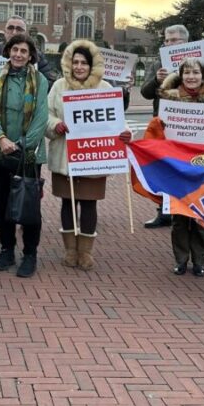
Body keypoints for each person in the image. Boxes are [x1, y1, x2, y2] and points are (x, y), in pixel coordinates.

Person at [45, 40, 132, 270]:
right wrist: (56, 125)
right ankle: (70, 250)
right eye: (75, 62)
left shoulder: (104, 88)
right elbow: (47, 115)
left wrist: (125, 134)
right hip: (65, 155)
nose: (79, 67)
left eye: (84, 63)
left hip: (93, 158)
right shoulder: (58, 87)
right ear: (69, 64)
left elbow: (118, 121)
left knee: (90, 204)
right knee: (67, 203)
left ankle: (85, 252)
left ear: (91, 65)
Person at [149, 58, 204, 277]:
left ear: (203, 75)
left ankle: (199, 261)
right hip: (176, 165)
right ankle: (180, 259)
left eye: (196, 72)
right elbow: (157, 134)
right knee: (179, 216)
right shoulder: (170, 98)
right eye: (187, 72)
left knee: (200, 215)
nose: (191, 77)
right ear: (181, 75)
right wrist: (160, 126)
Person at [0, 32, 49, 277]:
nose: (18, 54)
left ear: (31, 56)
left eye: (24, 51)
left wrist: (22, 146)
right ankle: (7, 250)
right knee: (3, 204)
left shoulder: (40, 80)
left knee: (28, 205)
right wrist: (2, 138)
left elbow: (41, 116)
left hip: (29, 155)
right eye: (15, 49)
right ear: (8, 51)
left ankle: (30, 254)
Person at [140, 23, 189, 228]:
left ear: (185, 42)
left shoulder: (197, 62)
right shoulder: (160, 62)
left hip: (188, 125)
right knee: (163, 169)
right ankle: (164, 212)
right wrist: (157, 81)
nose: (169, 43)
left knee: (185, 169)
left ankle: (186, 212)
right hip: (162, 125)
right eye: (167, 40)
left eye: (174, 40)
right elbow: (145, 92)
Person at [0, 16, 58, 83]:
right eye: (10, 28)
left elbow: (48, 80)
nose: (14, 32)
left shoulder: (36, 55)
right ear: (4, 32)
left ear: (25, 33)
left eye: (19, 29)